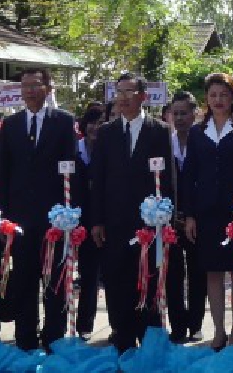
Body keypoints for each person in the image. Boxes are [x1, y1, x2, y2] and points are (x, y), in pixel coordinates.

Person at [88, 72, 174, 352]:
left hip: (148, 222)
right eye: (118, 92)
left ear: (142, 96)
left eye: (128, 92)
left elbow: (167, 176)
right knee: (116, 279)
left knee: (148, 278)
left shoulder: (159, 130)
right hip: (114, 220)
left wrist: (165, 215)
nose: (122, 98)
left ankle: (149, 337)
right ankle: (121, 336)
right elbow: (97, 179)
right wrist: (97, 220)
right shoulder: (106, 132)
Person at [0, 68, 80, 352]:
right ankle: (25, 336)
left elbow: (71, 169)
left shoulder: (64, 122)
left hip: (54, 218)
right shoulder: (10, 125)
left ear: (48, 87)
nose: (29, 90)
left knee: (54, 279)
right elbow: (5, 172)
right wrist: (3, 215)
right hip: (20, 218)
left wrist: (69, 214)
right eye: (24, 86)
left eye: (35, 85)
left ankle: (54, 336)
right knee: (24, 278)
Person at [181, 73, 233, 350]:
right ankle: (218, 330)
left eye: (224, 95)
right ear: (207, 98)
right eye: (213, 95)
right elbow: (188, 173)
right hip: (206, 214)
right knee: (212, 273)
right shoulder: (196, 131)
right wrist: (189, 214)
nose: (218, 100)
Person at [166, 91, 206, 343]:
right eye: (175, 114)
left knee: (197, 271)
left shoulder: (202, 141)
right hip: (168, 217)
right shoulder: (164, 141)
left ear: (195, 114)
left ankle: (196, 323)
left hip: (196, 216)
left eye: (184, 113)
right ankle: (178, 325)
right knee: (172, 273)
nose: (180, 118)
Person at [75, 107, 105, 339]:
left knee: (103, 275)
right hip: (75, 220)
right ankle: (81, 324)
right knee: (85, 275)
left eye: (101, 122)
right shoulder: (73, 151)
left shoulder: (110, 151)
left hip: (104, 219)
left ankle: (111, 325)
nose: (95, 127)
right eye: (91, 122)